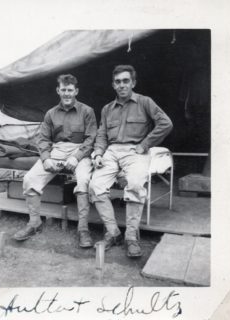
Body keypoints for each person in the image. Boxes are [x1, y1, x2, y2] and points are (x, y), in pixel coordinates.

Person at [89, 65, 173, 258]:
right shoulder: (107, 109)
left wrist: (145, 144)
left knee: (134, 184)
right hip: (111, 152)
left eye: (125, 81)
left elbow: (165, 123)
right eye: (117, 82)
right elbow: (101, 134)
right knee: (95, 186)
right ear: (113, 85)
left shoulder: (145, 102)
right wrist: (98, 153)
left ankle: (131, 236)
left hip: (135, 152)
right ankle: (113, 232)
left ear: (133, 83)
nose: (121, 85)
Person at [13, 74, 97, 248]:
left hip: (80, 151)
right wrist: (46, 158)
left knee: (83, 181)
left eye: (70, 90)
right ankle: (34, 223)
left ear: (76, 91)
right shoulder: (50, 113)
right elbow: (43, 139)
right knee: (30, 179)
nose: (67, 94)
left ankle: (83, 229)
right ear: (58, 90)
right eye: (63, 90)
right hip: (56, 151)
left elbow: (91, 139)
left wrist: (77, 156)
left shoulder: (87, 111)